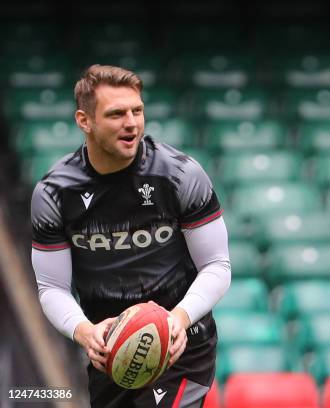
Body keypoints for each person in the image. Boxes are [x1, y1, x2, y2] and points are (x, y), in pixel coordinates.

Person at [30, 64, 231, 407]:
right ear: (85, 121)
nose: (132, 123)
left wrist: (177, 320)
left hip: (181, 347)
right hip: (109, 353)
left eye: (138, 111)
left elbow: (217, 265)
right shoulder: (54, 193)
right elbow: (52, 288)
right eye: (116, 114)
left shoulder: (181, 174)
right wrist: (83, 330)